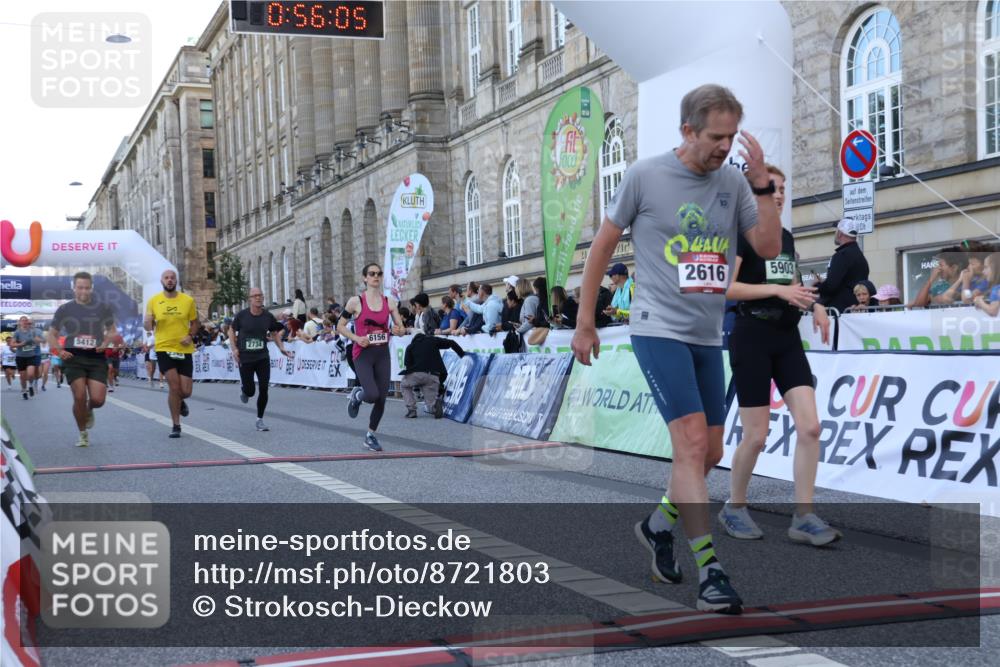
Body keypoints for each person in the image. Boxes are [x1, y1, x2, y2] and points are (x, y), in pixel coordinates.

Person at [571, 84, 782, 614]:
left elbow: (769, 248)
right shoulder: (646, 175)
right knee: (690, 445)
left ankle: (656, 526)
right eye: (716, 136)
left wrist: (760, 187)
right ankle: (710, 570)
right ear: (687, 131)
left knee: (709, 453)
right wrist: (584, 323)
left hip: (709, 335)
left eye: (732, 136)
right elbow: (601, 248)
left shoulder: (734, 182)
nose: (724, 147)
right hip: (657, 327)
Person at [719, 163, 840, 546]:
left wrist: (814, 305)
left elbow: (792, 283)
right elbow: (727, 289)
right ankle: (734, 506)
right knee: (756, 436)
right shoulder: (741, 235)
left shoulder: (785, 237)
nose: (781, 193)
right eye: (772, 187)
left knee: (811, 427)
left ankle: (803, 516)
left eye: (784, 187)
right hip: (751, 336)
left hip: (786, 338)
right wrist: (777, 293)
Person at [338, 263, 406, 452]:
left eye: (379, 273)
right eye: (372, 273)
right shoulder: (355, 302)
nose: (376, 276)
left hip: (382, 354)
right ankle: (357, 395)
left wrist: (398, 330)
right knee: (372, 394)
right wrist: (356, 338)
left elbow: (401, 330)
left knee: (381, 399)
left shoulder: (389, 302)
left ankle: (370, 435)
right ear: (365, 278)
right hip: (363, 355)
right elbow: (340, 326)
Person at [47, 271, 117, 448]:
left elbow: (112, 330)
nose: (83, 291)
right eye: (80, 287)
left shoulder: (103, 307)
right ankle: (82, 433)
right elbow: (52, 335)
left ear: (91, 288)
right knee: (79, 396)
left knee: (98, 400)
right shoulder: (65, 309)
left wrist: (106, 342)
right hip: (73, 357)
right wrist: (59, 351)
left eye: (87, 288)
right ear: (73, 288)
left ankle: (89, 409)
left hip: (96, 358)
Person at [144, 269, 200, 439]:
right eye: (167, 278)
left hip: (184, 349)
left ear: (176, 281)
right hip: (164, 348)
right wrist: (147, 323)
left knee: (186, 391)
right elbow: (148, 326)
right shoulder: (154, 301)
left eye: (172, 278)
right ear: (162, 281)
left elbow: (195, 323)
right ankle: (176, 425)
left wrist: (190, 336)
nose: (170, 280)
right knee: (174, 387)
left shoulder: (187, 300)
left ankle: (181, 401)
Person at [230, 287, 293, 431]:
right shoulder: (242, 316)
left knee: (264, 388)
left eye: (260, 295)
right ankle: (245, 390)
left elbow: (274, 332)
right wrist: (234, 349)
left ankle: (260, 419)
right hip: (245, 358)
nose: (258, 298)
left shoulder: (267, 316)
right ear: (250, 299)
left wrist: (282, 348)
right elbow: (231, 330)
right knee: (251, 391)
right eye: (255, 296)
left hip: (262, 357)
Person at [400, 332, 465, 418]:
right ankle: (434, 406)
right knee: (431, 402)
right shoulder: (432, 340)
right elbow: (451, 342)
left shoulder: (411, 346)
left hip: (417, 375)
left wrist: (416, 386)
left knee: (404, 385)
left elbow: (408, 366)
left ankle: (411, 410)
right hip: (434, 375)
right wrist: (462, 355)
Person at [814, 218, 870, 313]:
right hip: (854, 309)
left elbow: (831, 286)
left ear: (840, 233)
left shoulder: (841, 255)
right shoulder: (860, 257)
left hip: (840, 313)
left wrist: (817, 286)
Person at [11, 316, 44, 400]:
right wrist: (21, 344)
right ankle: (24, 390)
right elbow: (12, 344)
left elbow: (41, 340)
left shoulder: (33, 332)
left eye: (26, 321)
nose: (25, 322)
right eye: (23, 321)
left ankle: (31, 386)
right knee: (23, 377)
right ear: (20, 322)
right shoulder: (17, 333)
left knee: (30, 374)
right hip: (20, 357)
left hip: (31, 356)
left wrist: (37, 340)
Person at [973, 251, 1000, 317]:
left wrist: (979, 301)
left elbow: (993, 311)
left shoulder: (997, 288)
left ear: (995, 268)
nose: (983, 271)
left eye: (986, 267)